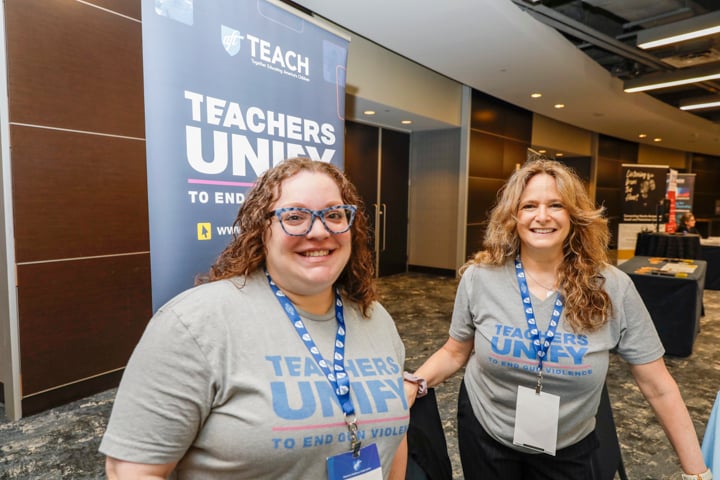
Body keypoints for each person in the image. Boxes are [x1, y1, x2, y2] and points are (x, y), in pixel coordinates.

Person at [100, 157, 409, 479]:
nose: (319, 231)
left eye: (333, 214)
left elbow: (393, 438)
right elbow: (132, 470)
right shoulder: (194, 323)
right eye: (295, 216)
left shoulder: (374, 316)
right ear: (262, 229)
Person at [403, 158, 712, 480]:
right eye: (529, 206)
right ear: (513, 216)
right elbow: (455, 351)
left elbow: (658, 385)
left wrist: (697, 472)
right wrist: (414, 383)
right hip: (486, 434)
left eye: (555, 205)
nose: (542, 216)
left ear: (574, 216)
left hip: (570, 444)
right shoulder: (480, 278)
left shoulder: (611, 287)